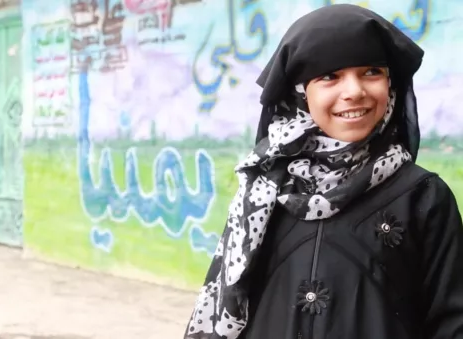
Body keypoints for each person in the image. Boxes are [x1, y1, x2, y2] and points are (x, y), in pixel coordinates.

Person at [183, 4, 463, 339]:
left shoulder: (423, 196)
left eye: (371, 71)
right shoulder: (263, 190)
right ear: (300, 93)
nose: (354, 91)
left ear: (390, 84)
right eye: (329, 76)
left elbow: (452, 320)